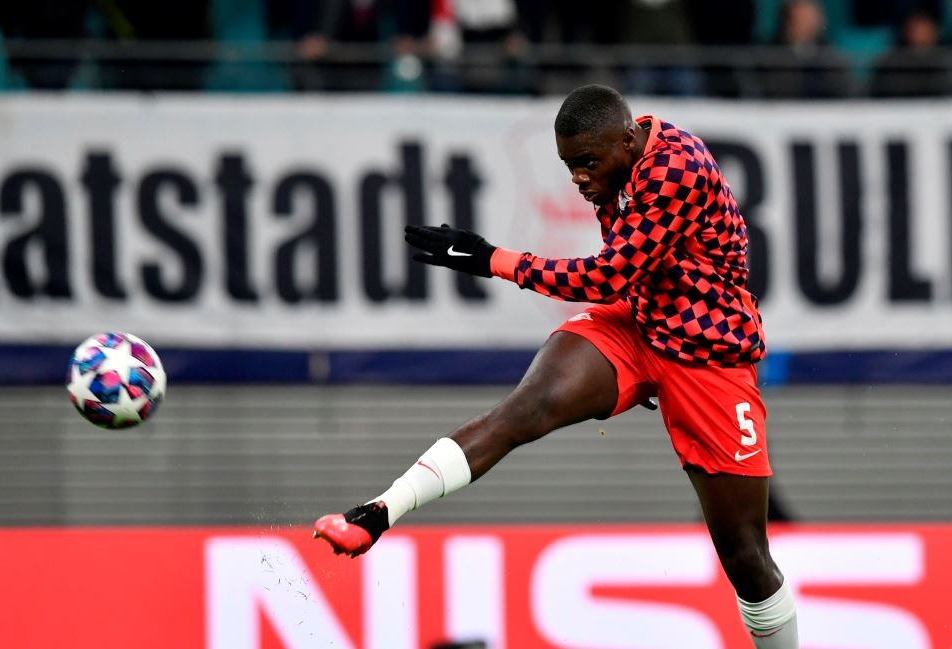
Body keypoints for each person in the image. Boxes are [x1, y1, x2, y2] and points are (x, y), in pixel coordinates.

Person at [314, 84, 799, 647]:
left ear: (626, 141)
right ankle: (376, 514)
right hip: (636, 325)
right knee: (525, 409)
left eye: (587, 163)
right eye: (570, 165)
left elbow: (606, 275)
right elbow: (626, 283)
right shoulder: (613, 161)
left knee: (745, 556)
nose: (579, 178)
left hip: (708, 354)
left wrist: (491, 258)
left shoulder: (676, 167)